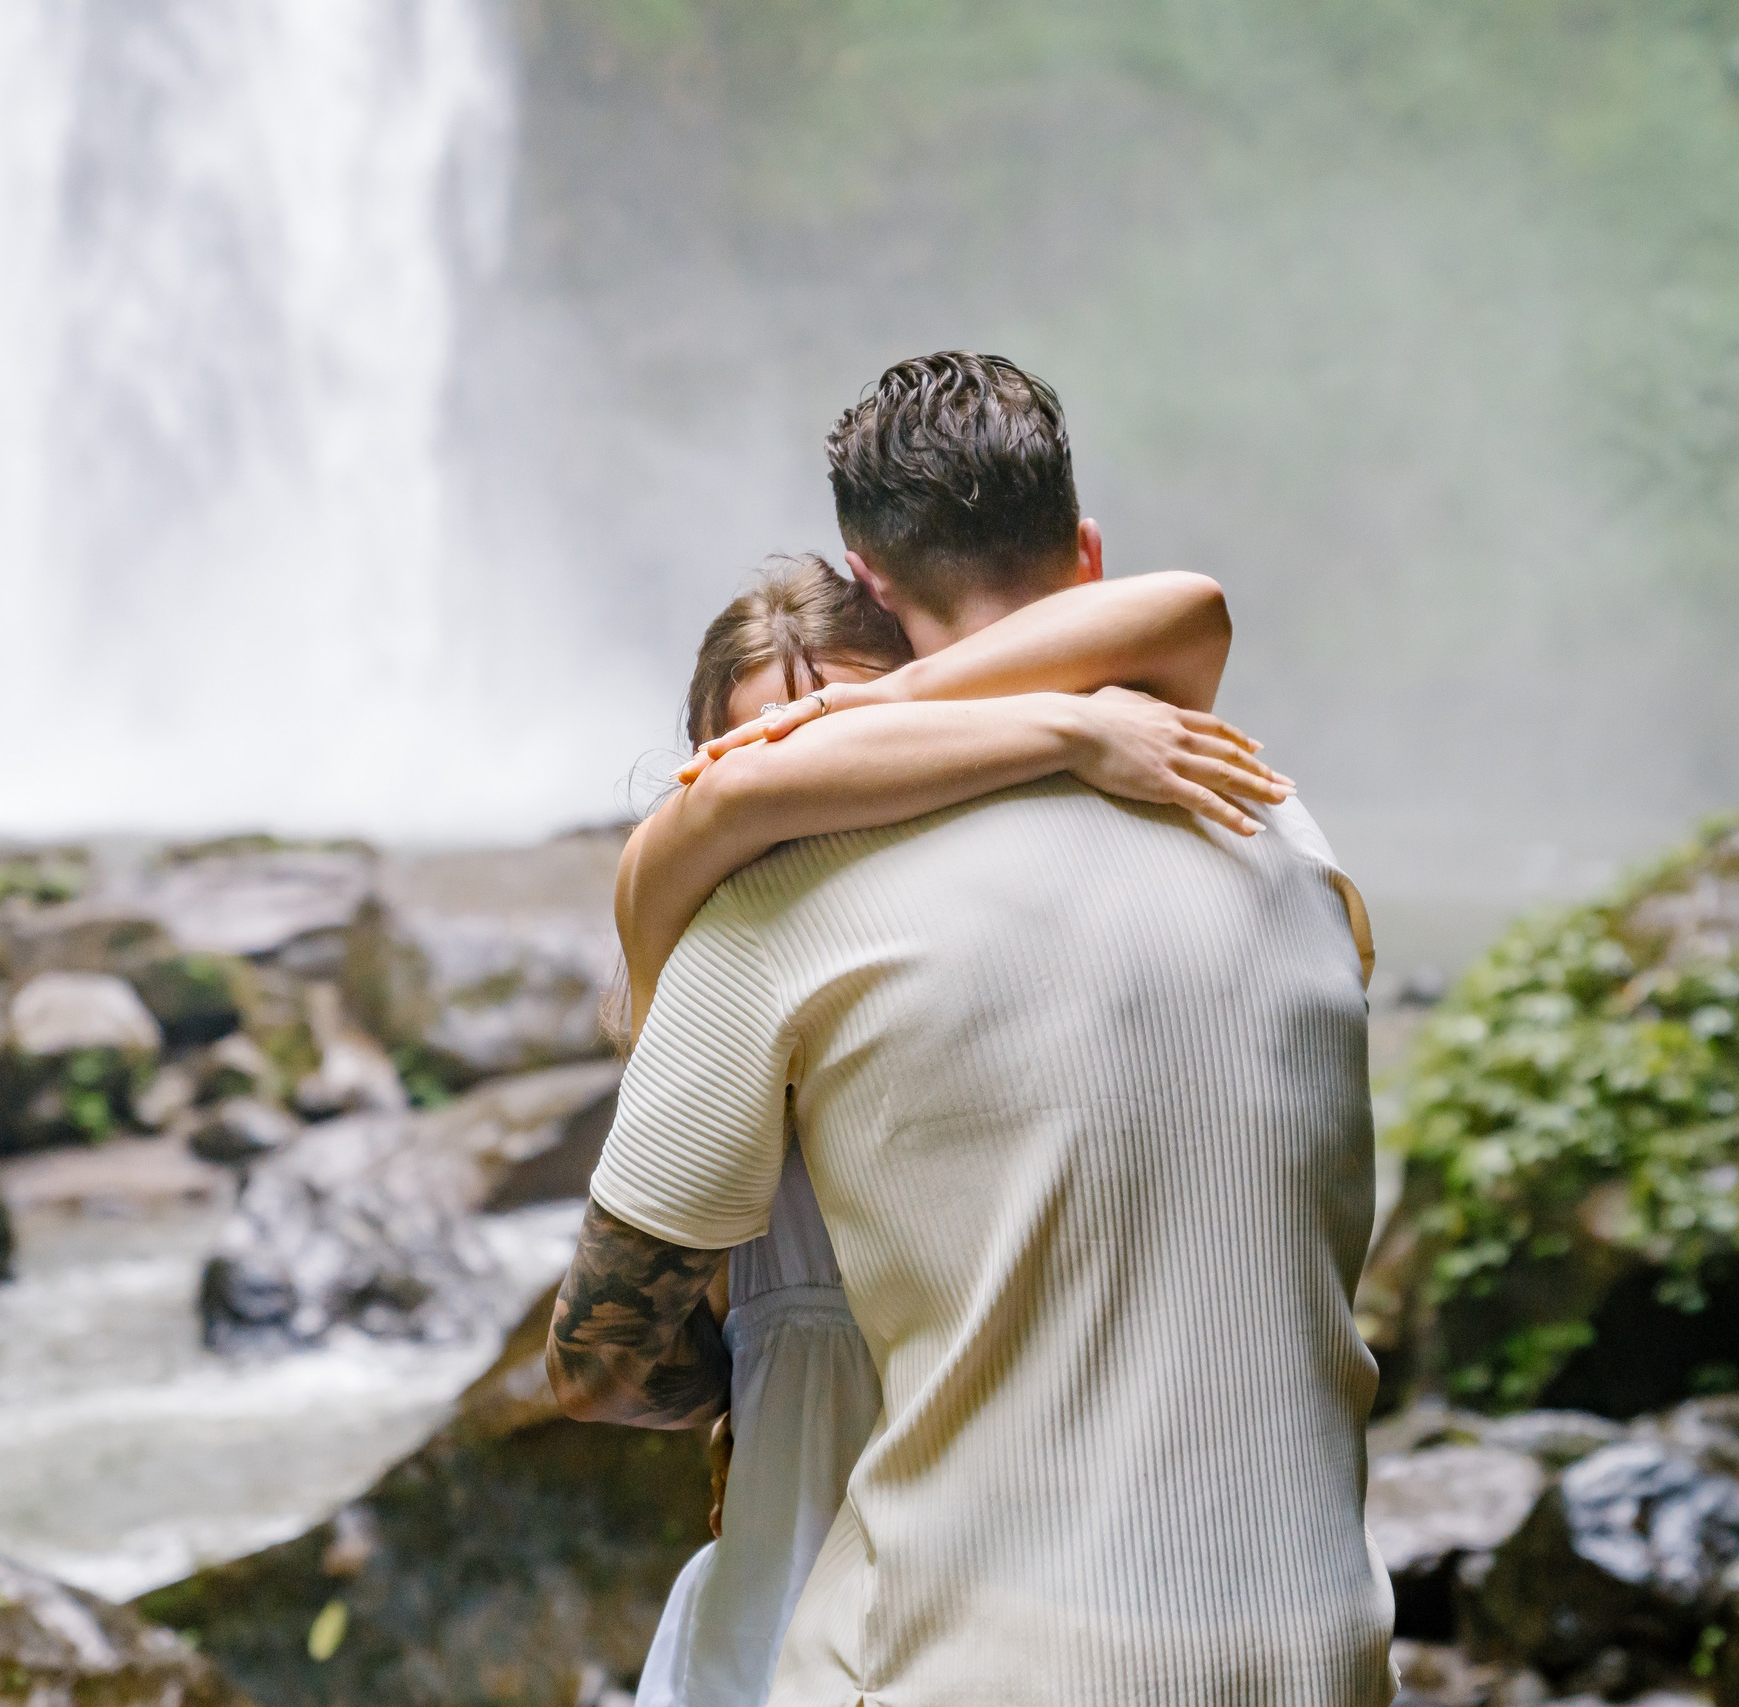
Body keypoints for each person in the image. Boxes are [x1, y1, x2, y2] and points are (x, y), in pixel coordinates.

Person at [551, 353, 1395, 1705]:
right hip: (1321, 1653)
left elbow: (601, 1354)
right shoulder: (1290, 843)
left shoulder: (778, 897)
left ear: (873, 586)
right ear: (1088, 552)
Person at [618, 552, 1293, 1707]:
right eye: (777, 750)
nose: (814, 783)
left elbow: (1187, 609)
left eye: (846, 751)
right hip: (802, 1546)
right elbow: (720, 809)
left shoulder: (978, 929)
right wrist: (1071, 734)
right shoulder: (704, 933)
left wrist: (922, 713)